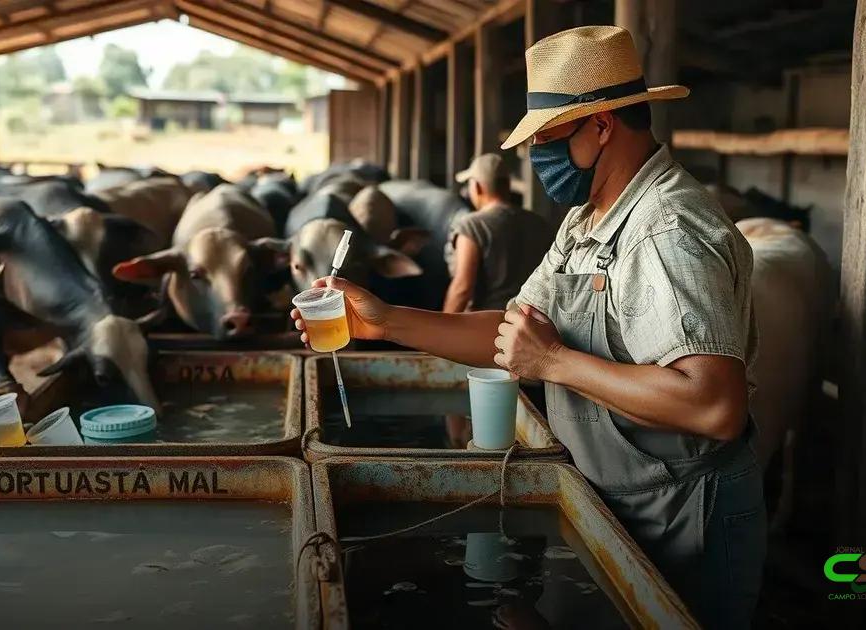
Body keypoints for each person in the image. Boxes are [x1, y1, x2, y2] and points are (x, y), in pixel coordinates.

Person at [292, 26, 765, 629]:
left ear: (601, 126)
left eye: (548, 136)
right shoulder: (587, 220)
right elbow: (512, 331)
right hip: (622, 494)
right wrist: (386, 322)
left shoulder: (665, 232)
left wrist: (553, 364)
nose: (536, 154)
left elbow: (712, 405)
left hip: (687, 513)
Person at [445, 153, 552, 312]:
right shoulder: (539, 224)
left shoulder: (472, 225)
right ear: (507, 185)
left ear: (477, 187)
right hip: (531, 323)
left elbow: (462, 289)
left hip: (483, 326)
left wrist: (444, 330)